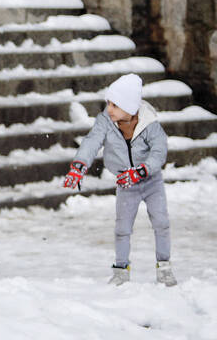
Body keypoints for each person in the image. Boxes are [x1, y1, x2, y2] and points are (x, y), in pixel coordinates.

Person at [63, 73, 176, 286]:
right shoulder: (105, 121)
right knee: (122, 228)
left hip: (151, 181)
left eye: (115, 105)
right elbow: (91, 142)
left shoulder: (150, 123)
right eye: (108, 103)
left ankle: (164, 267)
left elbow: (159, 152)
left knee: (161, 222)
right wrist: (79, 166)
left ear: (129, 106)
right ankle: (121, 270)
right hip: (126, 183)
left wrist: (141, 171)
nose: (109, 109)